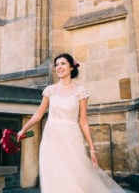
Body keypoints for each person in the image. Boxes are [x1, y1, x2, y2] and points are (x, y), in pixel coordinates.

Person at [17, 53, 126, 192]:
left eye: (63, 64)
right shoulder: (50, 91)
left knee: (75, 179)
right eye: (56, 65)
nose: (59, 67)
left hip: (72, 139)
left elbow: (83, 122)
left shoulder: (80, 92)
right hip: (51, 140)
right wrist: (23, 130)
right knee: (54, 178)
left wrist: (92, 149)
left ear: (71, 68)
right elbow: (38, 114)